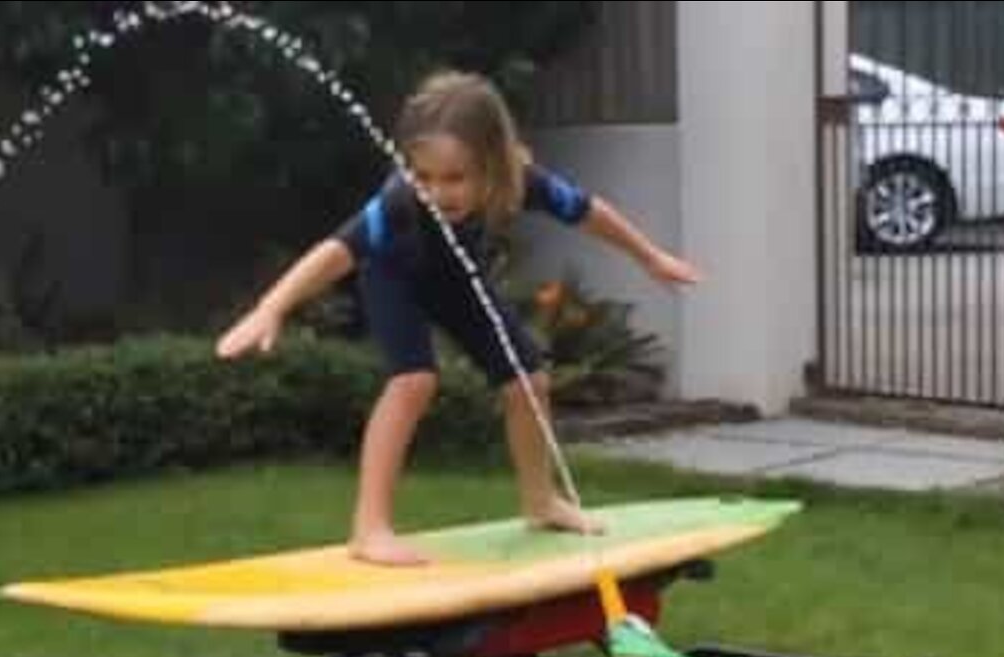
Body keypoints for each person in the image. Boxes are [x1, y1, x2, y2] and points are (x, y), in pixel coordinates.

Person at [216, 70, 701, 566]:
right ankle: (369, 528)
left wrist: (651, 257)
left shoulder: (518, 180)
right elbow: (337, 251)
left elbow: (588, 211)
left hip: (457, 282)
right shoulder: (401, 203)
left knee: (528, 382)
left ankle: (541, 501)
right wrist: (270, 308)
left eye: (454, 178)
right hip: (394, 277)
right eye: (423, 175)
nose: (436, 192)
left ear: (492, 163)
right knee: (413, 382)